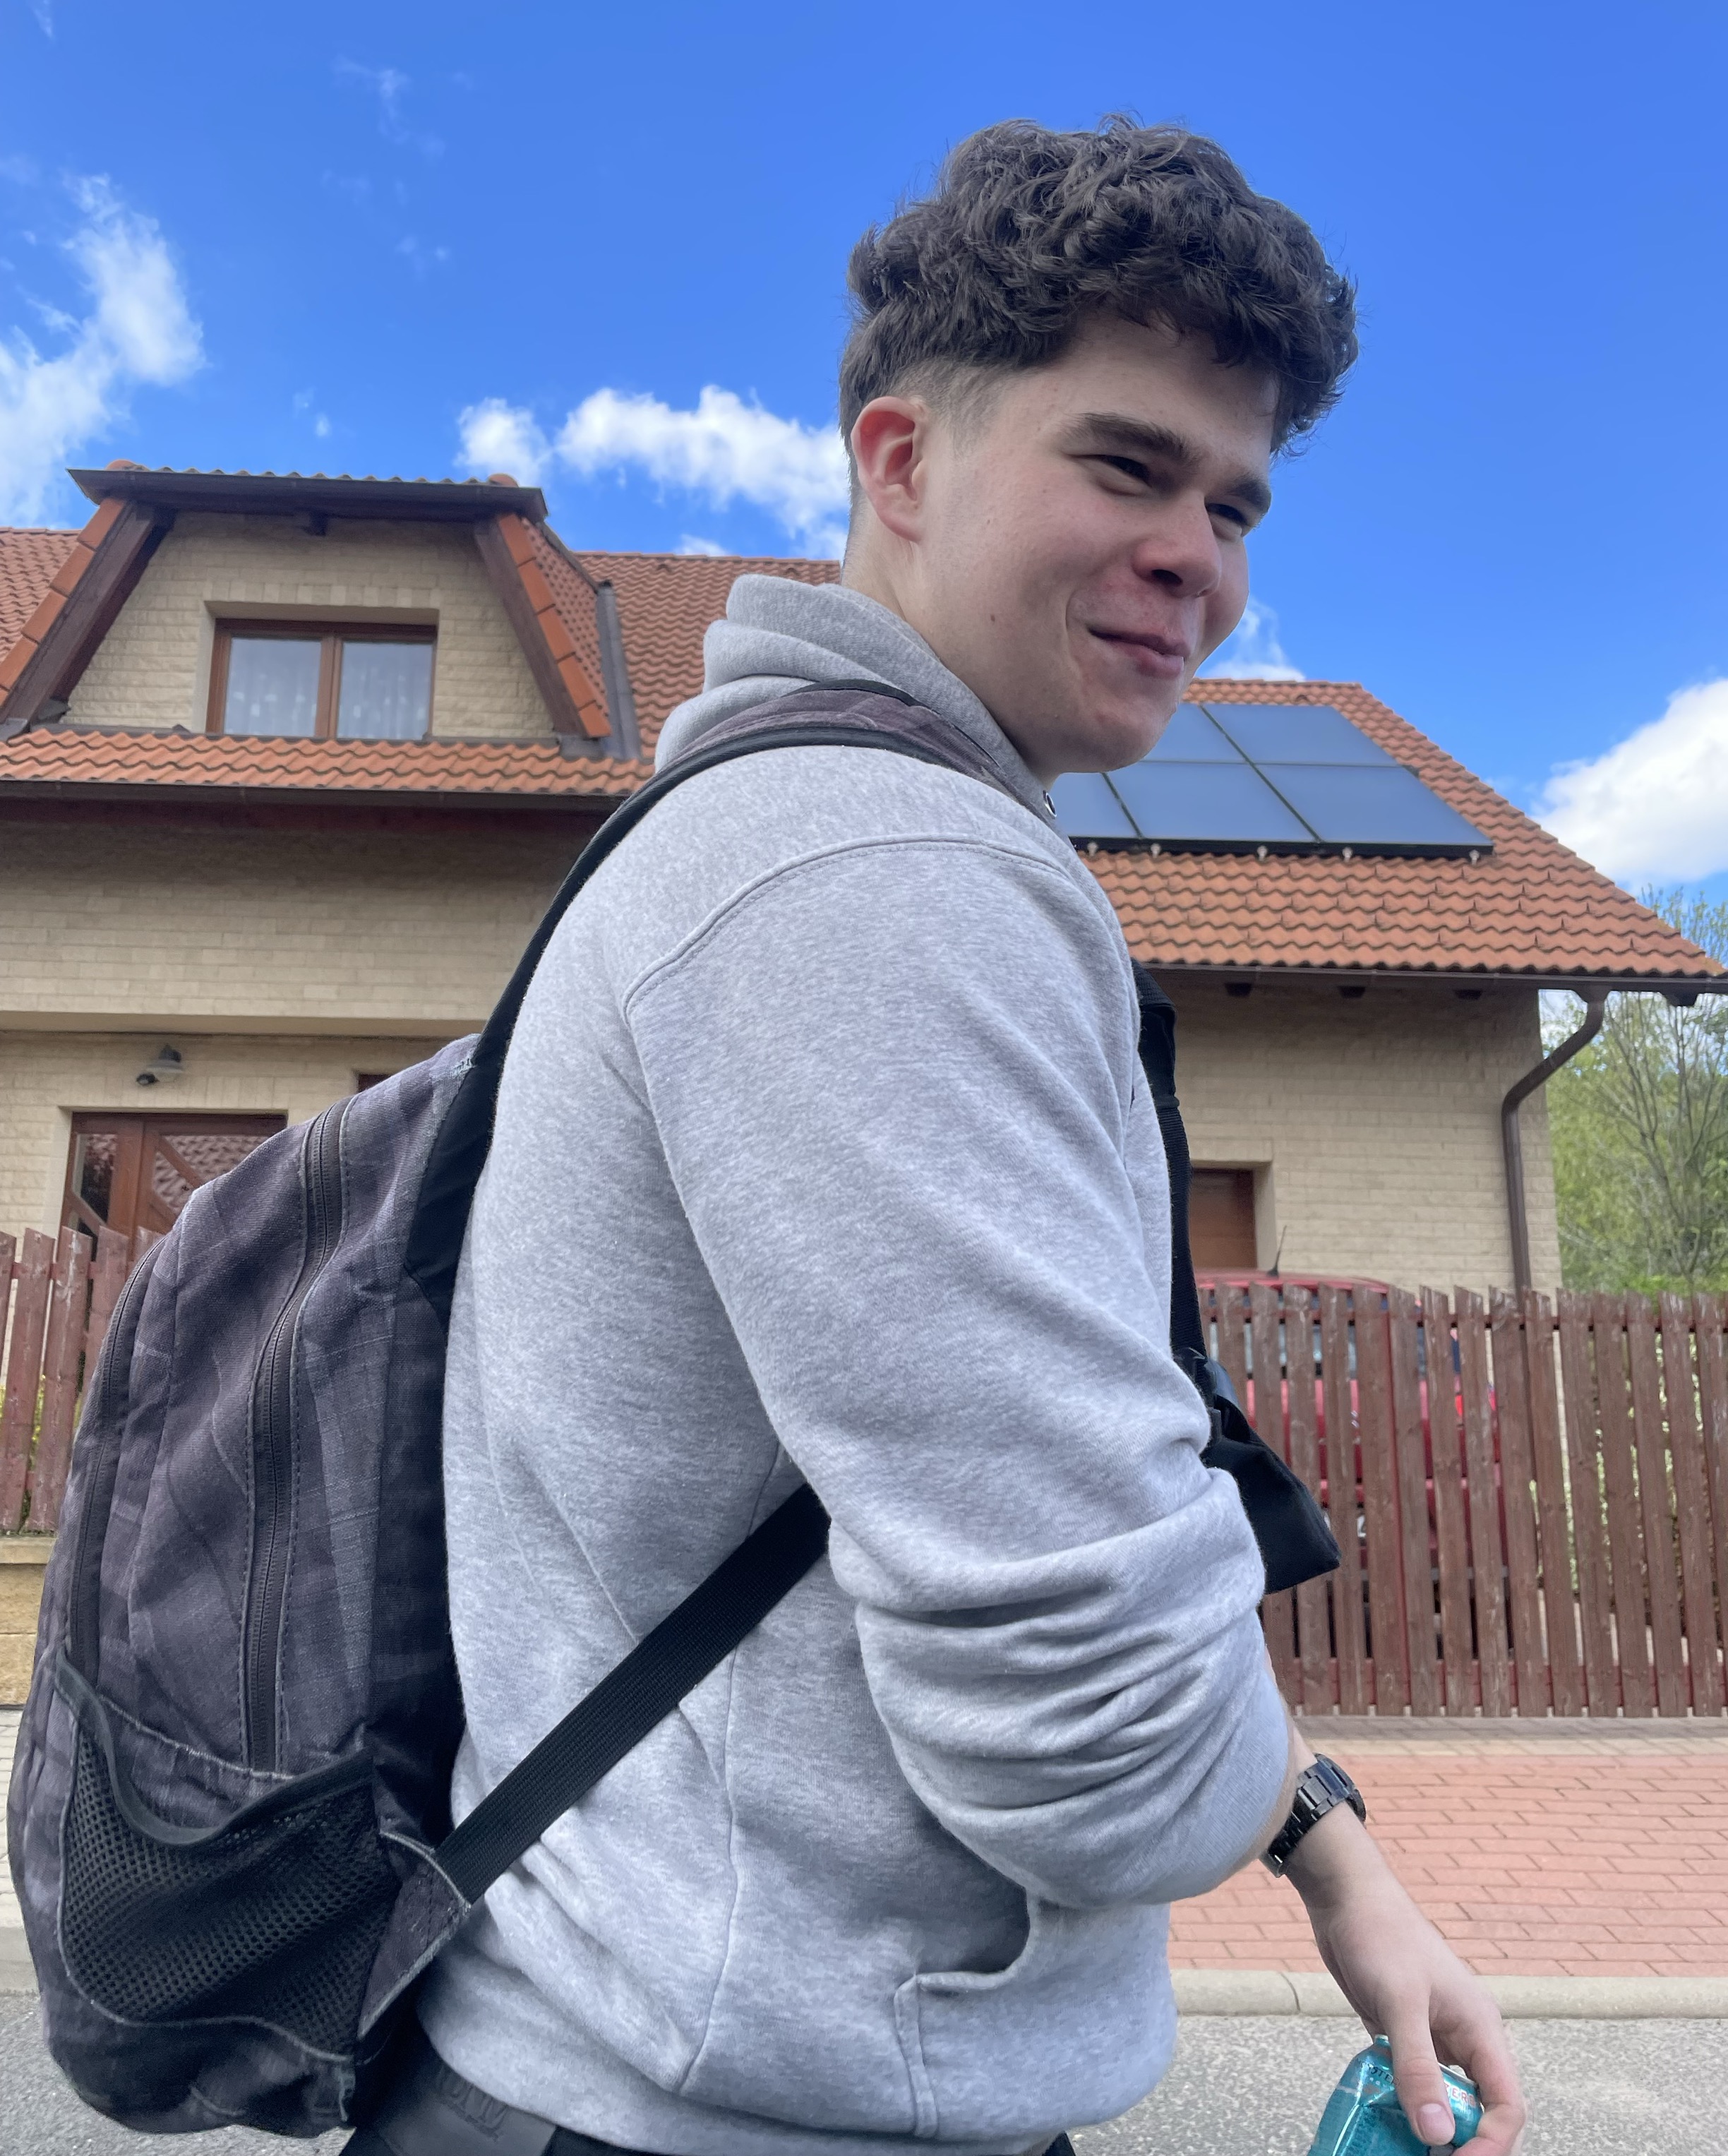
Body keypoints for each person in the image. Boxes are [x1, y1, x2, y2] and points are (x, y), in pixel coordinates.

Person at [384, 120, 1526, 2156]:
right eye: (1127, 466)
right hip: (721, 2113)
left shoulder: (765, 831)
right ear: (901, 466)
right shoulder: (877, 873)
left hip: (640, 2057)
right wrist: (1255, 1785)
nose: (1202, 558)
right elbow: (1085, 1719)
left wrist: (1324, 1844)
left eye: (1236, 502)